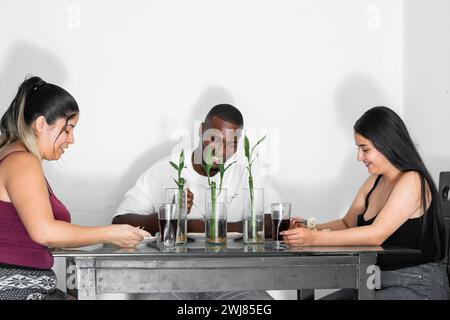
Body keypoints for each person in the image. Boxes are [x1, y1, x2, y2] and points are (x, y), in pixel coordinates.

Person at [0, 76, 150, 300]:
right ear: (41, 124)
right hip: (18, 290)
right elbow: (45, 232)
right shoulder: (22, 162)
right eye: (68, 129)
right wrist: (109, 233)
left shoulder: (13, 156)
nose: (71, 140)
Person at [112, 103, 280, 300]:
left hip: (234, 280)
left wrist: (199, 226)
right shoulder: (164, 170)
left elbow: (274, 223)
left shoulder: (249, 172)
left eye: (232, 143)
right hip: (169, 280)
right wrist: (169, 215)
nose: (222, 151)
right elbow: (119, 223)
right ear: (201, 130)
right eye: (214, 139)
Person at [282, 106, 450, 300]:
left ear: (388, 144)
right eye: (358, 148)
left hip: (417, 284)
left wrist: (313, 239)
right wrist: (310, 228)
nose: (359, 157)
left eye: (365, 149)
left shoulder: (412, 180)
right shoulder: (375, 180)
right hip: (373, 282)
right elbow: (347, 224)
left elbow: (375, 235)